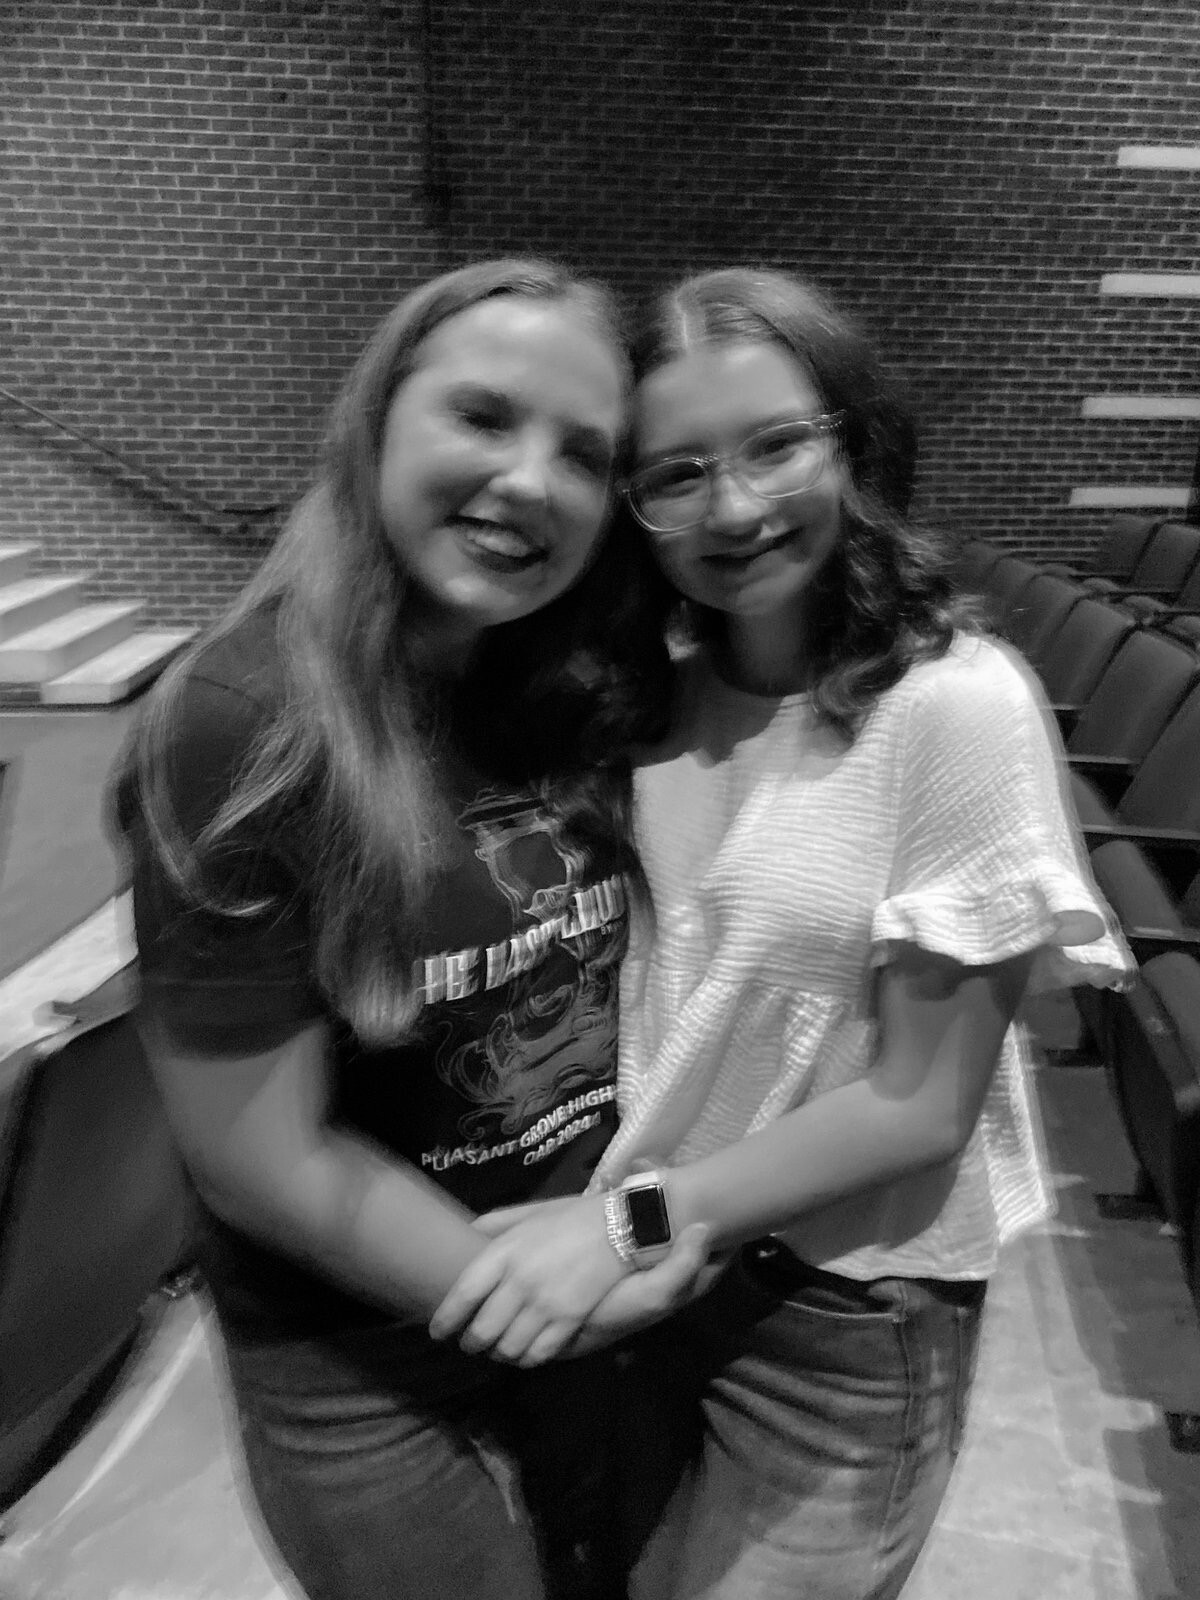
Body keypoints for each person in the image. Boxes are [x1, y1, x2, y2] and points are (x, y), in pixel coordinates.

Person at [429, 266, 1133, 1599]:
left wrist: (631, 1222)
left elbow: (921, 1104)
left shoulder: (953, 704)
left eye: (775, 446)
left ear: (853, 448)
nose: (736, 508)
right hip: (656, 1281)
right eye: (677, 473)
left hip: (840, 1310)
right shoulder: (656, 698)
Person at [111, 257, 711, 1600]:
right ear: (378, 422)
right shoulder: (245, 725)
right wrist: (592, 1293)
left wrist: (621, 1244)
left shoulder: (564, 683)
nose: (530, 482)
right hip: (370, 1361)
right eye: (483, 417)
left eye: (584, 455)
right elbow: (260, 1161)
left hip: (576, 1287)